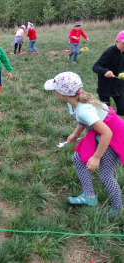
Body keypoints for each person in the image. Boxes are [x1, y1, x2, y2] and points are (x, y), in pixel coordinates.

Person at [44, 72, 124, 215]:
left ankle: (118, 208)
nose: (54, 91)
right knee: (78, 159)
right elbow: (84, 121)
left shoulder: (83, 109)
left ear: (62, 93)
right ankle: (89, 197)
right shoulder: (74, 102)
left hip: (113, 136)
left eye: (55, 89)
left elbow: (107, 133)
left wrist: (96, 157)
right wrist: (75, 134)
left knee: (105, 175)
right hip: (101, 132)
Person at [93, 30, 124, 118]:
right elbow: (96, 67)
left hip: (118, 86)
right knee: (106, 111)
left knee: (122, 108)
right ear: (117, 42)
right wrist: (105, 71)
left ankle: (120, 125)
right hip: (105, 87)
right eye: (123, 43)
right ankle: (107, 126)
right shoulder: (110, 52)